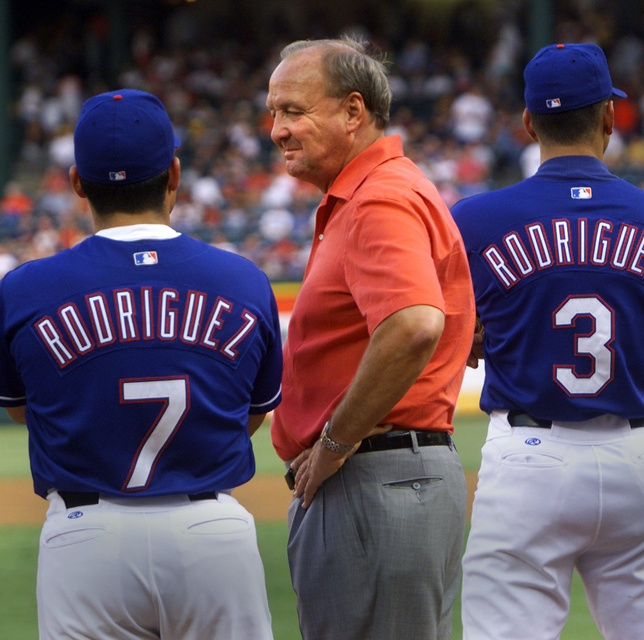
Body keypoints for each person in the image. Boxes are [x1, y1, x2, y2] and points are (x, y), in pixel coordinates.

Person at [0, 88, 282, 639]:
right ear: (174, 173)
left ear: (76, 182)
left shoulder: (25, 289)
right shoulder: (244, 281)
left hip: (84, 532)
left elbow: (24, 410)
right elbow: (252, 412)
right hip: (210, 527)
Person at [452, 43, 644, 640]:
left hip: (528, 458)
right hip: (640, 460)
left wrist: (478, 335)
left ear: (529, 123)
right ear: (610, 119)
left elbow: (449, 336)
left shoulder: (474, 220)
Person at [266, 37, 476, 639]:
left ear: (353, 112)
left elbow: (413, 324)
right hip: (387, 476)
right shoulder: (373, 192)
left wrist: (333, 442)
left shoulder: (379, 196)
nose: (277, 129)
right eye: (274, 112)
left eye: (293, 110)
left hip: (376, 475)